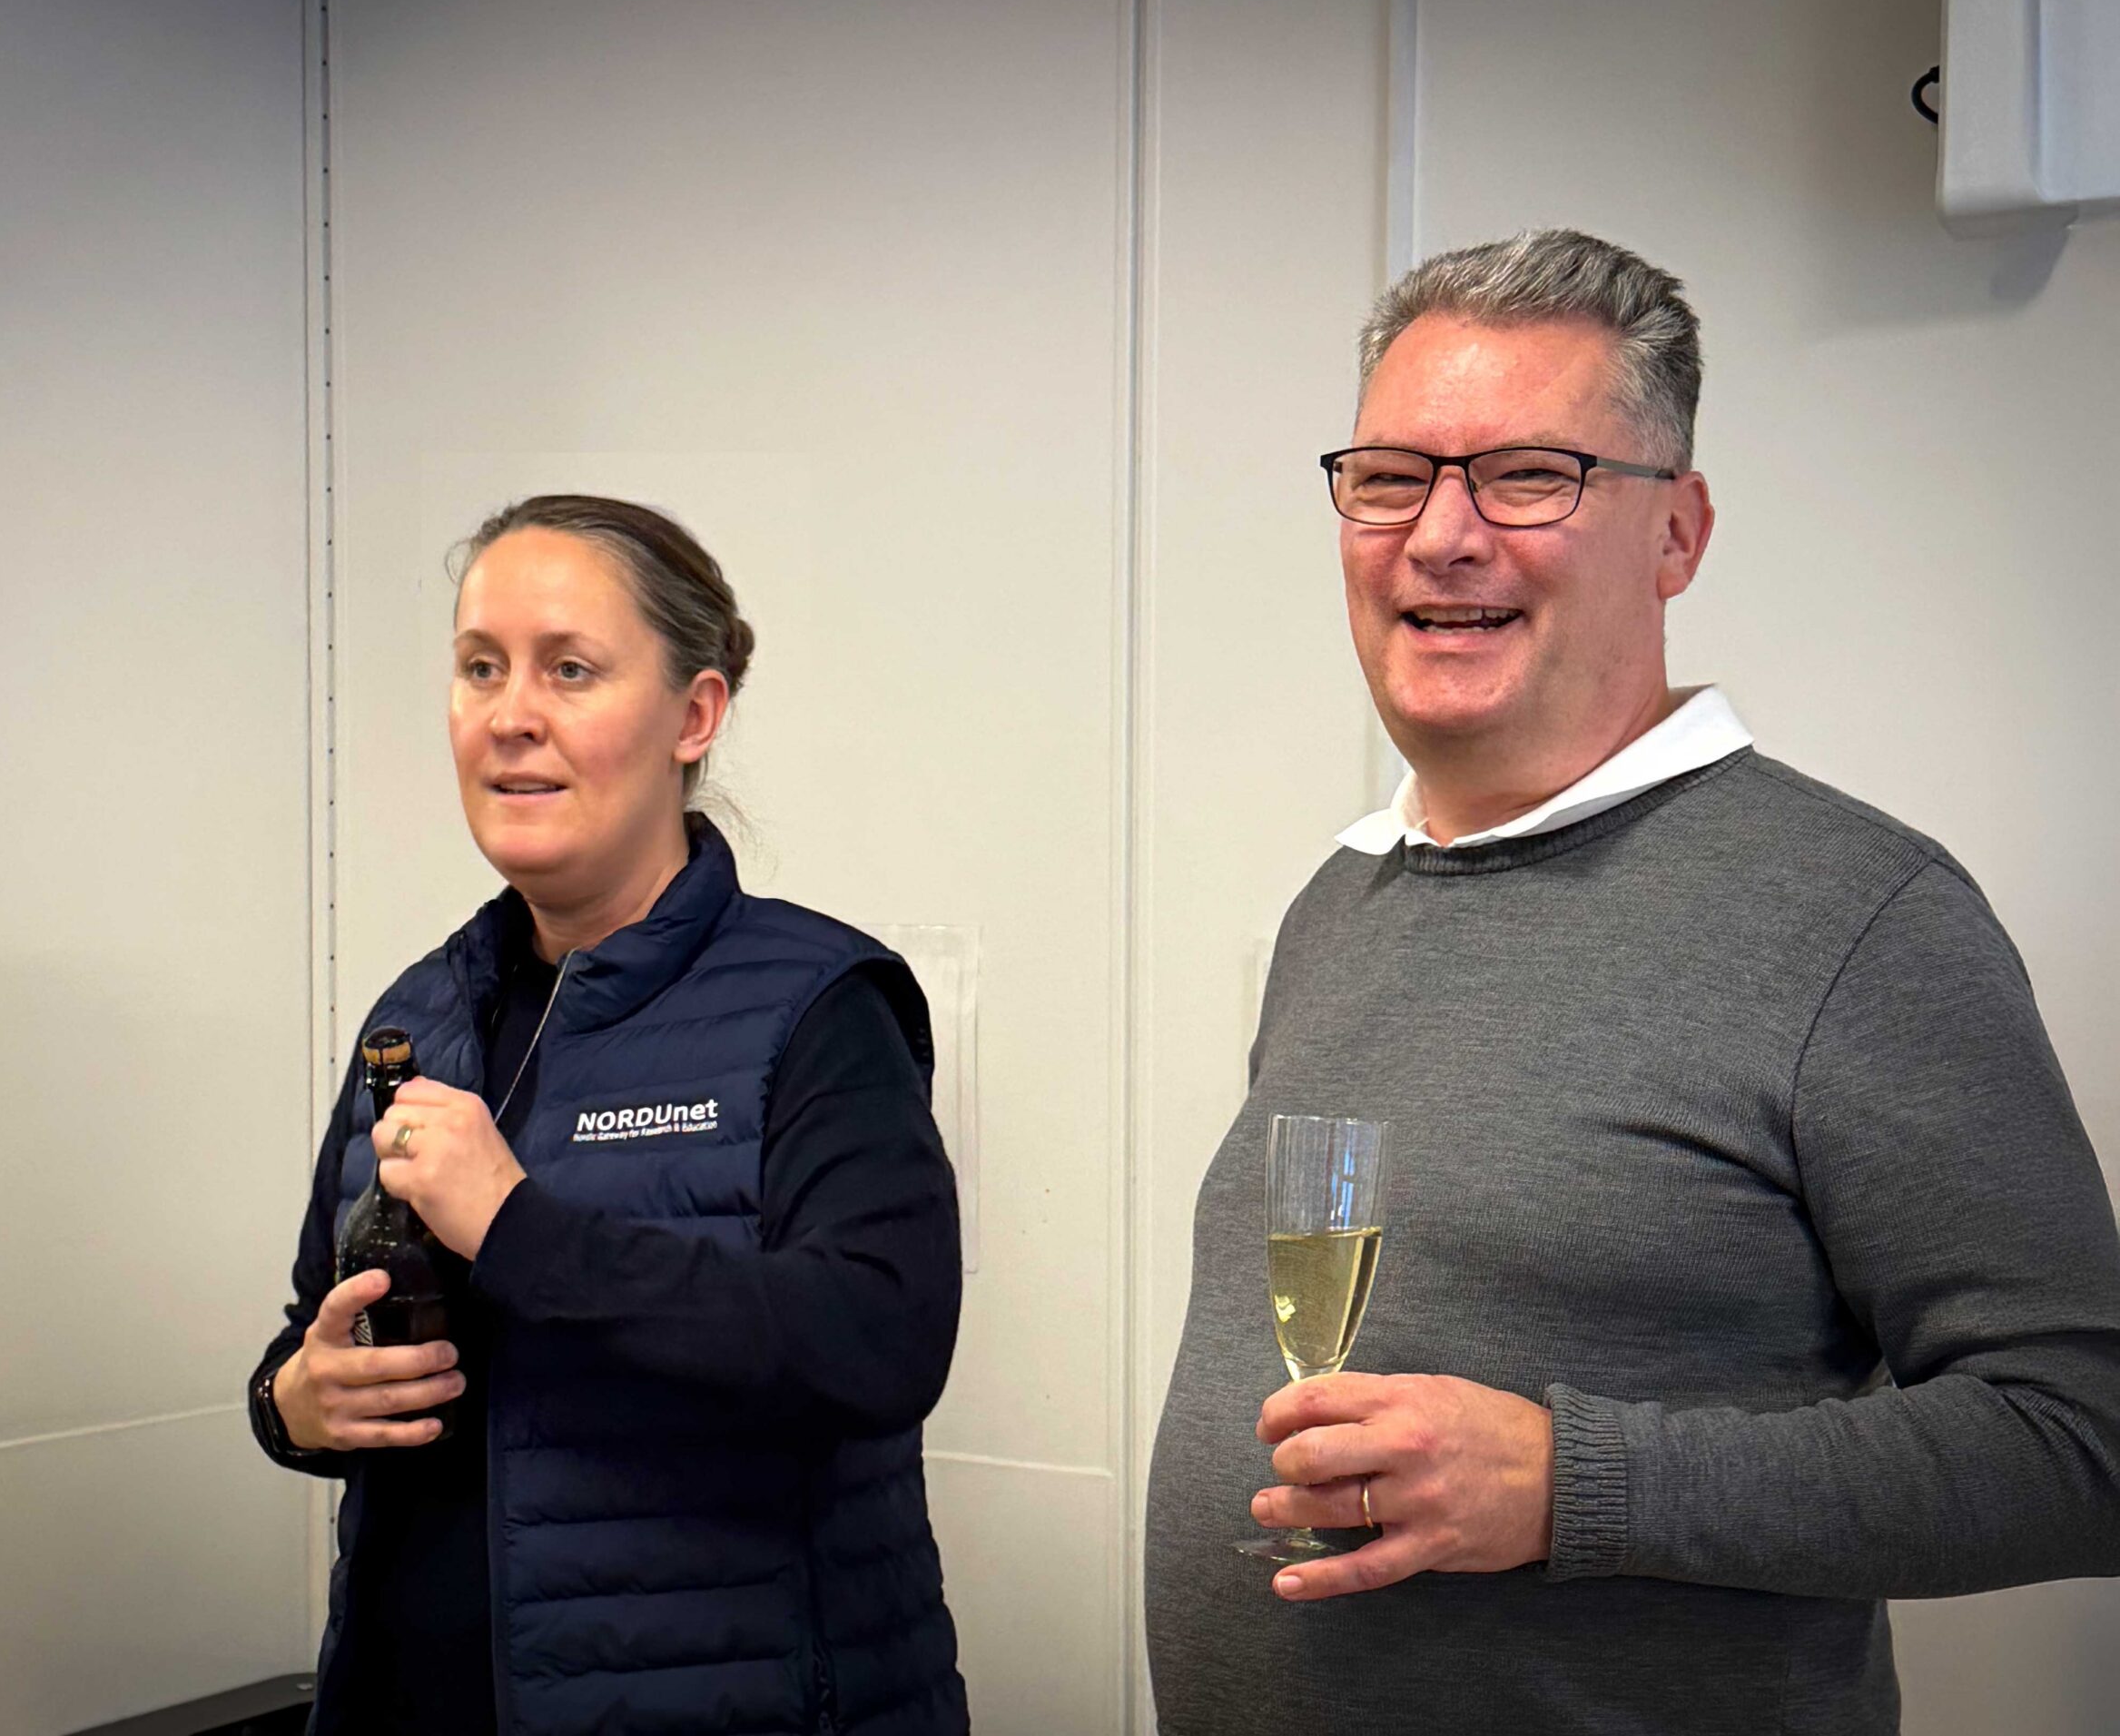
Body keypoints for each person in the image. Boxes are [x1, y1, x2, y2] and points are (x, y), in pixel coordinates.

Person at [1144, 228, 2120, 1732]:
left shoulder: (1863, 918)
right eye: (1392, 476)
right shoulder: (1340, 902)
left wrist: (1574, 1484)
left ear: (1678, 532)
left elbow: (2083, 1441)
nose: (1441, 536)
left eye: (1528, 476)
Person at [246, 495, 969, 1735]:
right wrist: (295, 1406)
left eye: (569, 669)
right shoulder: (415, 1017)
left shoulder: (817, 1005)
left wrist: (514, 1224)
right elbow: (308, 1334)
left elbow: (878, 1341)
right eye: (482, 667)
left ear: (694, 716)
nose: (510, 714)